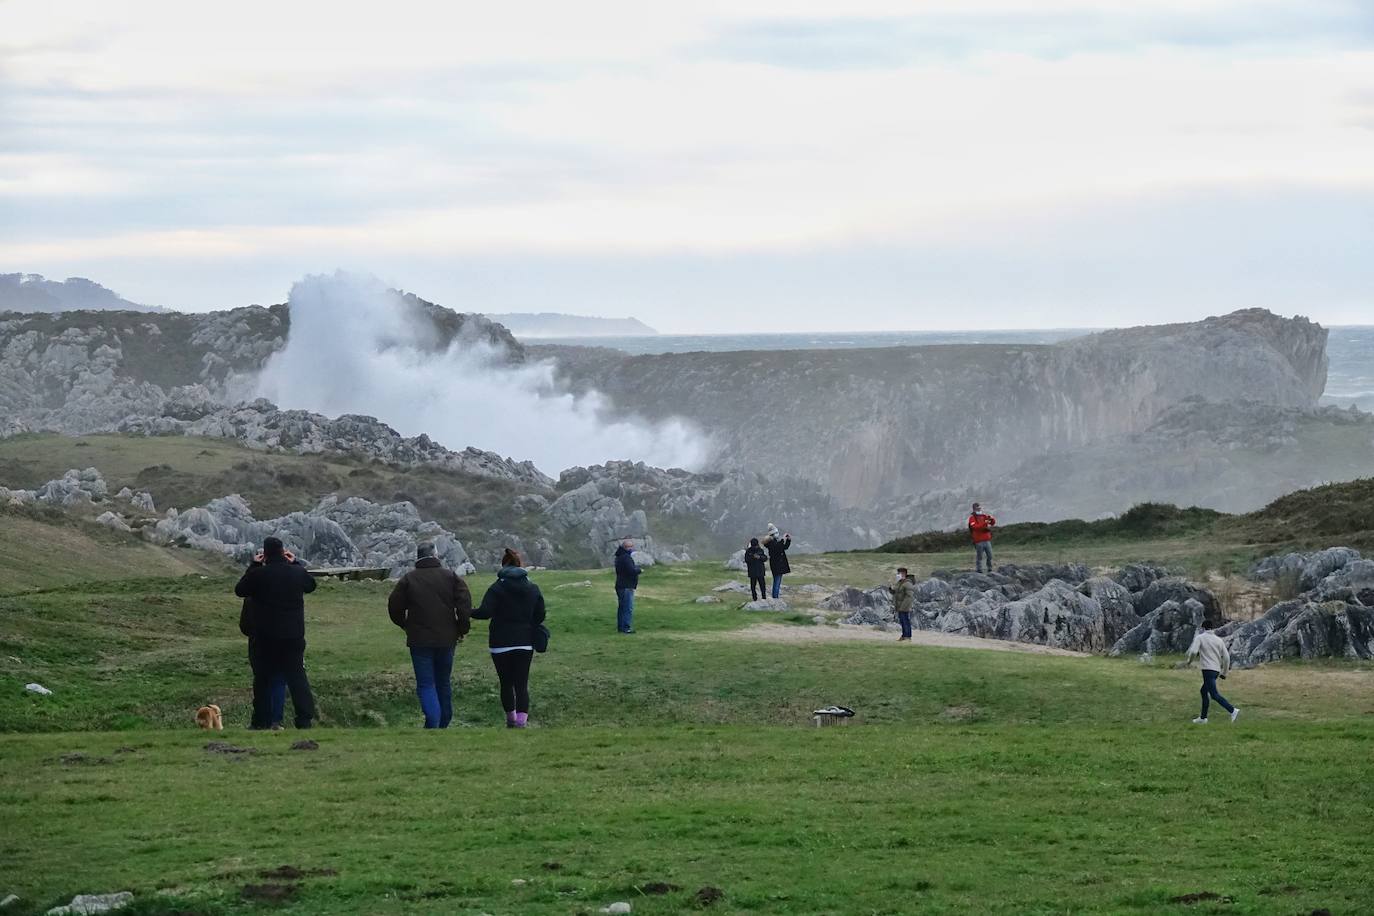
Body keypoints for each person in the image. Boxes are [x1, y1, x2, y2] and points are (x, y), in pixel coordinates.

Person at [234, 536, 318, 729]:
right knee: (297, 678)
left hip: (265, 637)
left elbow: (240, 590)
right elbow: (311, 585)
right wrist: (295, 562)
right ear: (283, 552)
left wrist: (254, 566)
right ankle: (304, 719)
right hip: (293, 636)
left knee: (263, 679)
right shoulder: (296, 572)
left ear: (264, 555)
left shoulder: (258, 575)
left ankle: (261, 721)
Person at [387, 542, 472, 729]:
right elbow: (464, 605)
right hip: (447, 639)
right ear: (435, 555)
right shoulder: (451, 577)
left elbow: (394, 606)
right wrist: (461, 629)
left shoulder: (409, 579)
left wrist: (405, 624)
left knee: (426, 684)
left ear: (418, 557)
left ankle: (432, 722)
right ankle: (444, 721)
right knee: (443, 682)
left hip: (419, 639)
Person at [471, 548, 546, 728]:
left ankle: (511, 720)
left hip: (500, 642)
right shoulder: (533, 588)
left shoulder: (497, 588)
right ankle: (522, 722)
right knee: (521, 684)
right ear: (520, 566)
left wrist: (467, 611)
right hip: (525, 641)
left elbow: (485, 612)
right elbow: (540, 615)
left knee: (506, 683)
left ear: (503, 565)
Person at [237, 554, 288, 728]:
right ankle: (276, 720)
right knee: (279, 680)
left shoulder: (251, 593)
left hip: (258, 642)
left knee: (261, 682)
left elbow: (244, 625)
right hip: (283, 639)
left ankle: (260, 721)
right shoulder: (284, 589)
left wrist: (253, 565)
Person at [1186, 626, 1240, 724]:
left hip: (1207, 669)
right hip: (1216, 670)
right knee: (1203, 691)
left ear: (1203, 628)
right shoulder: (1218, 640)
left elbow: (1193, 651)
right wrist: (1224, 672)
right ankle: (1203, 718)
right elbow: (1226, 657)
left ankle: (1232, 710)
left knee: (1214, 695)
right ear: (1213, 629)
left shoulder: (1200, 638)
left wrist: (1189, 662)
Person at [613, 539, 642, 634]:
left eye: (631, 546)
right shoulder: (626, 557)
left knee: (621, 607)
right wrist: (639, 570)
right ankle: (626, 627)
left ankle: (621, 627)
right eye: (629, 547)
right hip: (626, 586)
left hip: (620, 585)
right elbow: (631, 570)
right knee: (627, 607)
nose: (631, 549)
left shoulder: (619, 557)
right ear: (625, 547)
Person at [763, 524, 791, 599]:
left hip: (779, 564)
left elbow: (783, 547)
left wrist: (788, 540)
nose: (777, 534)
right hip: (776, 565)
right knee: (777, 581)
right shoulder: (771, 543)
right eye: (776, 533)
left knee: (777, 581)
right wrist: (783, 539)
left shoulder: (775, 542)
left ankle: (775, 596)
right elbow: (777, 548)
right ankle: (775, 597)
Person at [968, 503, 996, 573]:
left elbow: (992, 523)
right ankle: (979, 569)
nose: (979, 509)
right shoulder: (972, 518)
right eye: (977, 507)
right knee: (979, 556)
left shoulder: (984, 516)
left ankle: (990, 568)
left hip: (987, 539)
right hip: (978, 540)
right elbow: (975, 527)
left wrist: (991, 519)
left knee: (990, 555)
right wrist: (984, 523)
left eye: (980, 507)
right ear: (974, 509)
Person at [892, 567, 915, 641]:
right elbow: (896, 593)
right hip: (900, 606)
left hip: (904, 607)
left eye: (899, 573)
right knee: (903, 621)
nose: (897, 575)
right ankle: (904, 635)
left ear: (903, 574)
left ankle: (908, 636)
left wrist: (903, 607)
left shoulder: (907, 583)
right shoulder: (899, 583)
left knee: (905, 621)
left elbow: (909, 596)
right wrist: (891, 589)